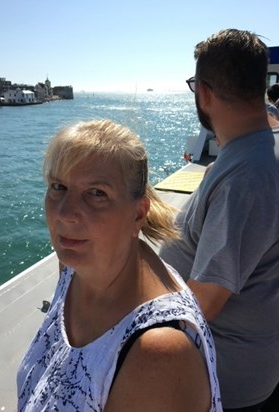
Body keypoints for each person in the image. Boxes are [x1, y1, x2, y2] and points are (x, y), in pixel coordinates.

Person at [16, 119, 222, 411]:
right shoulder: (74, 268)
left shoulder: (157, 356)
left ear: (138, 214)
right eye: (58, 186)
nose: (65, 214)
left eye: (97, 193)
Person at [160, 29, 279, 411]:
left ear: (204, 93)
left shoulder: (245, 179)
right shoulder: (257, 152)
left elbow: (204, 305)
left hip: (225, 385)